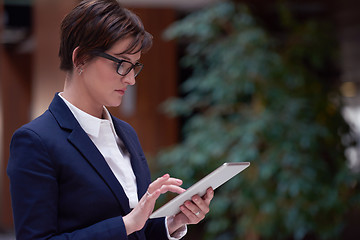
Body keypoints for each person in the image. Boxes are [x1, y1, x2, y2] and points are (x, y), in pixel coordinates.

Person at [7, 0, 214, 239]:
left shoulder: (125, 133)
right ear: (81, 58)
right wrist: (126, 224)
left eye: (134, 66)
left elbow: (137, 230)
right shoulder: (36, 141)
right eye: (122, 64)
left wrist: (173, 222)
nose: (131, 79)